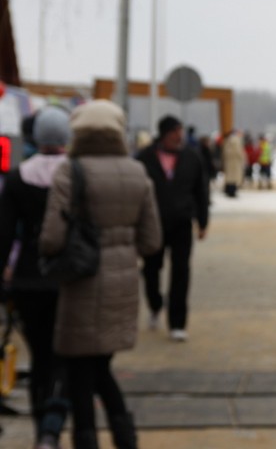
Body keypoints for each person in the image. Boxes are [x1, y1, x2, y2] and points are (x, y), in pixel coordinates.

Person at [39, 100, 162, 449]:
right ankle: (125, 436)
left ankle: (87, 438)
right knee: (97, 365)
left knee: (81, 367)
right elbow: (152, 241)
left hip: (81, 283)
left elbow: (51, 239)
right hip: (122, 285)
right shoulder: (137, 173)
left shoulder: (69, 171)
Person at [0, 106, 71, 449]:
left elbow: (4, 233)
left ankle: (40, 420)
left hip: (28, 278)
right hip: (66, 278)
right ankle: (52, 428)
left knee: (39, 353)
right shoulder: (75, 176)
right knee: (63, 354)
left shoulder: (16, 178)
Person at [136, 115, 210, 342]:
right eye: (174, 133)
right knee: (151, 269)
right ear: (164, 134)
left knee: (181, 272)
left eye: (180, 132)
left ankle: (178, 322)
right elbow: (136, 191)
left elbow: (201, 190)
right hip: (153, 224)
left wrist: (203, 221)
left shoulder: (191, 157)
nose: (179, 137)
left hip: (181, 223)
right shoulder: (145, 157)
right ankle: (156, 304)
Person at [221, 129, 245, 198]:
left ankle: (228, 190)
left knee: (229, 177)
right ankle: (232, 191)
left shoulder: (227, 140)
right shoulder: (236, 140)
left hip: (228, 161)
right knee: (234, 177)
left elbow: (224, 152)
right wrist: (242, 159)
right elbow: (238, 151)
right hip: (235, 161)